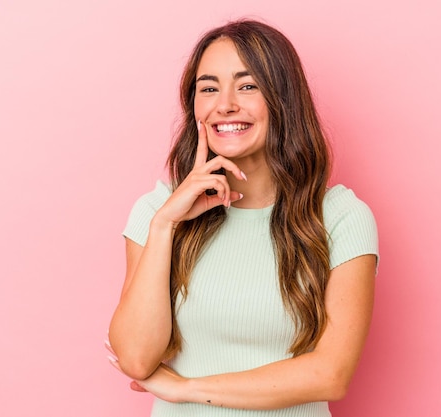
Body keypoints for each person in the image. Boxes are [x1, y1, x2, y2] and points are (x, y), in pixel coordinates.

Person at [106, 19, 378, 417]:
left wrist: (186, 389)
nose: (225, 104)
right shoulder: (157, 211)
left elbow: (330, 374)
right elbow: (136, 358)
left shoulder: (340, 218)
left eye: (247, 86)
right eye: (209, 87)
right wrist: (165, 225)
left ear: (284, 100)